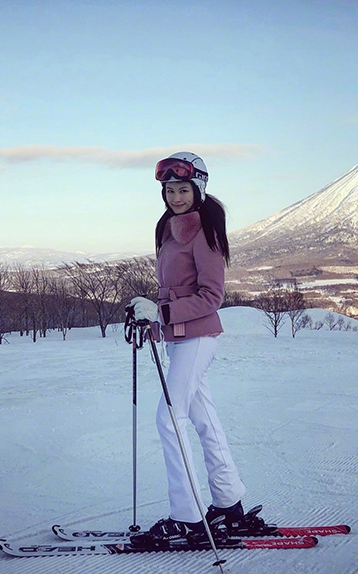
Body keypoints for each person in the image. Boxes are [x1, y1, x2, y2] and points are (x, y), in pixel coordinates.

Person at [126, 152, 246, 545]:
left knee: (169, 418)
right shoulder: (168, 229)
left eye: (183, 189)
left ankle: (188, 517)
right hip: (179, 338)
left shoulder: (204, 234)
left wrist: (161, 312)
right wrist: (151, 317)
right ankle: (228, 502)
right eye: (170, 190)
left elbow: (211, 296)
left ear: (198, 189)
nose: (176, 197)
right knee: (203, 418)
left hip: (198, 337)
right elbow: (172, 292)